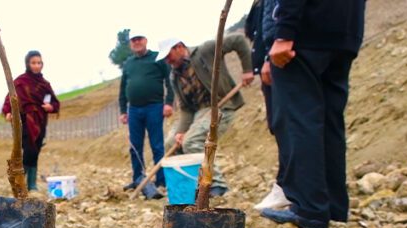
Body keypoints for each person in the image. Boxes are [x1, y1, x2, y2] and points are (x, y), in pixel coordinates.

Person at [260, 0, 366, 228]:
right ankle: (335, 209)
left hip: (304, 33)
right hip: (344, 31)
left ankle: (309, 210)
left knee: (299, 121)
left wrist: (284, 32)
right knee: (331, 122)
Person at [159, 34, 254, 197]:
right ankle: (191, 185)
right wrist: (181, 131)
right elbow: (186, 110)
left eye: (169, 55)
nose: (168, 60)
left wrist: (247, 70)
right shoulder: (174, 76)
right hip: (198, 114)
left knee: (191, 141)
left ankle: (216, 184)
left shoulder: (206, 51)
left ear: (179, 47)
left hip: (221, 106)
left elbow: (238, 41)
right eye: (165, 58)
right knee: (170, 143)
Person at [246, 0, 291, 211]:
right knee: (280, 124)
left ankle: (288, 187)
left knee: (287, 125)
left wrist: (266, 58)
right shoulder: (258, 4)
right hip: (274, 60)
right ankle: (294, 186)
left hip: (280, 59)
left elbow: (274, 25)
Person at [118, 32, 175, 197]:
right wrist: (123, 110)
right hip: (134, 110)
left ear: (145, 40)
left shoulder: (157, 58)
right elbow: (123, 88)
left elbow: (169, 81)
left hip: (154, 107)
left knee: (157, 145)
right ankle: (138, 178)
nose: (136, 42)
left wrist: (169, 103)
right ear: (130, 43)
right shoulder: (128, 63)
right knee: (135, 147)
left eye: (139, 39)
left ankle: (161, 180)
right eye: (133, 40)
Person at [2, 50, 60, 192]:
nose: (36, 65)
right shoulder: (20, 81)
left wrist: (51, 106)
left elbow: (55, 102)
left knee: (36, 150)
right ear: (28, 64)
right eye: (33, 63)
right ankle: (21, 182)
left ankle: (31, 183)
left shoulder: (45, 84)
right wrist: (8, 111)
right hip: (24, 121)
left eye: (39, 63)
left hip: (40, 121)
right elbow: (10, 97)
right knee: (28, 150)